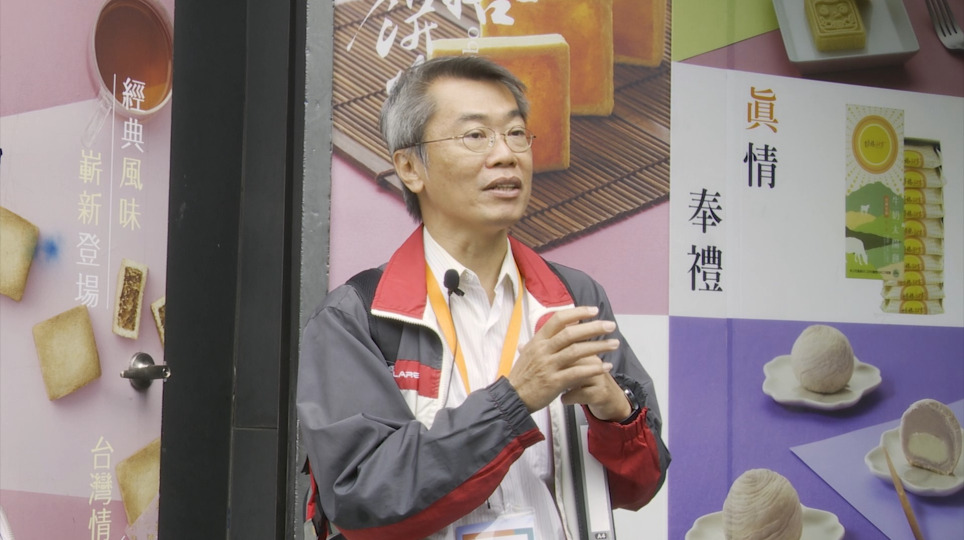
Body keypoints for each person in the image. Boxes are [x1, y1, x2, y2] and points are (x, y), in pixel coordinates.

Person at [297, 55, 670, 540]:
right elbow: (361, 498)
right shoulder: (357, 317)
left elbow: (639, 486)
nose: (505, 155)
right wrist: (514, 401)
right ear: (410, 167)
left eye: (515, 133)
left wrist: (616, 415)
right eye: (476, 136)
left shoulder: (575, 297)